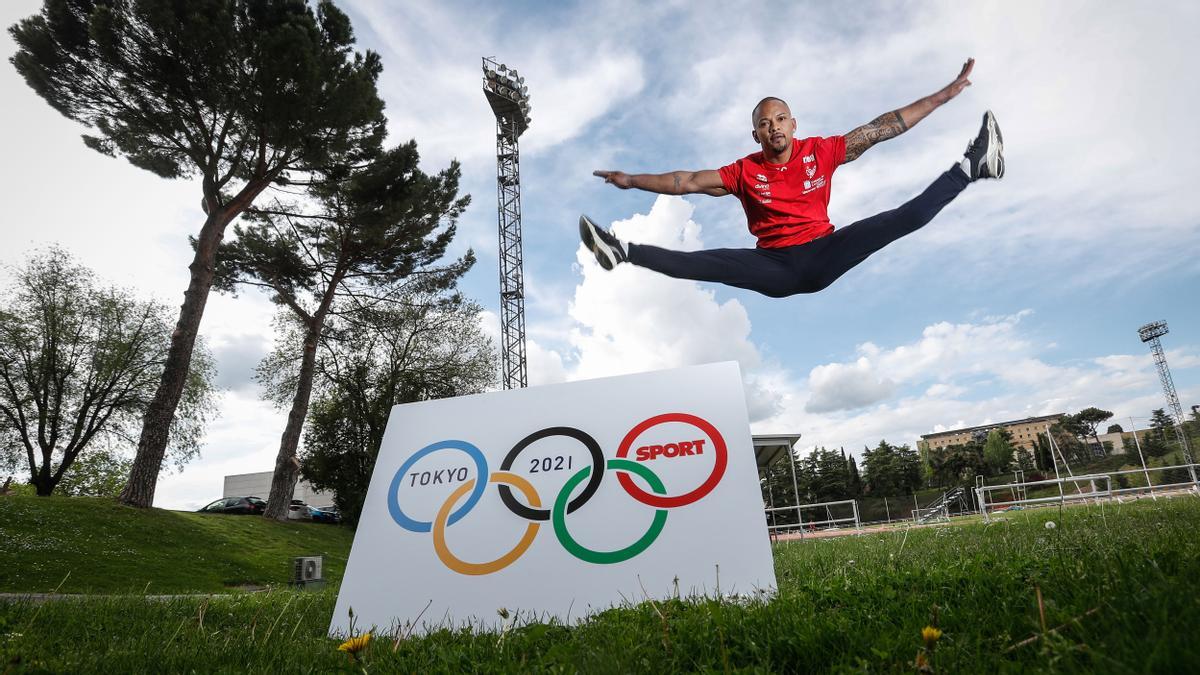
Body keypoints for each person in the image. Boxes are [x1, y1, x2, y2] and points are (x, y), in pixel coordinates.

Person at [580, 58, 1003, 298]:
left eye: (781, 119)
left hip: (824, 253)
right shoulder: (744, 171)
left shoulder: (821, 151)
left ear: (794, 124)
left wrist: (944, 95)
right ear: (756, 133)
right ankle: (622, 251)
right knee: (706, 263)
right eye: (765, 123)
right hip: (774, 267)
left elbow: (885, 126)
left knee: (900, 219)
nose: (774, 127)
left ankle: (973, 166)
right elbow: (686, 181)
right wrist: (631, 180)